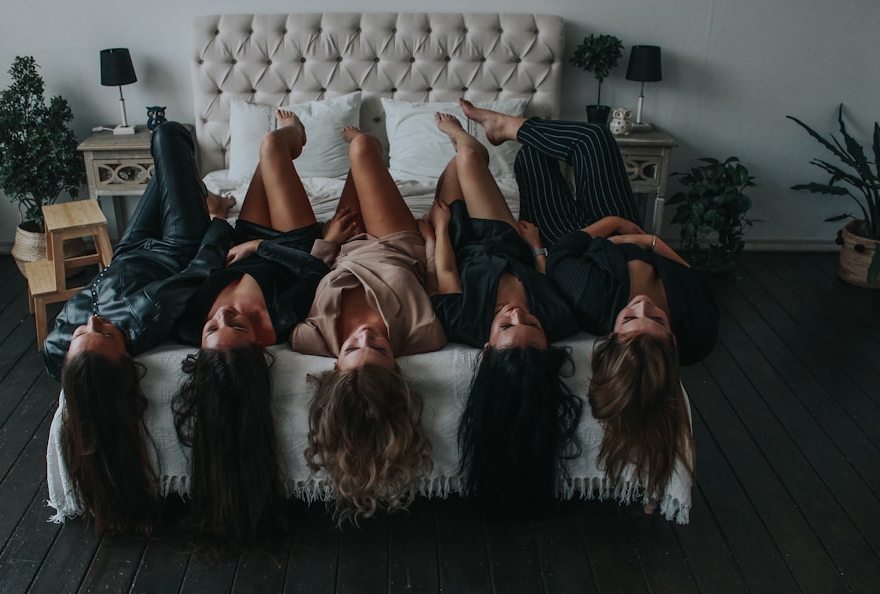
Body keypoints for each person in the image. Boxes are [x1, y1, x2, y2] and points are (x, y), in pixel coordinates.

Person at [460, 99, 718, 502]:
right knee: (594, 137)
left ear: (611, 335)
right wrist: (651, 240)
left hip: (579, 238)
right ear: (673, 339)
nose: (643, 307)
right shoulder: (700, 331)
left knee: (532, 157)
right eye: (657, 318)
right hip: (628, 234)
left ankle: (508, 129)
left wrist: (621, 231)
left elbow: (564, 252)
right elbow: (689, 272)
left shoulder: (594, 301)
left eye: (630, 318)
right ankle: (505, 125)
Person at [170, 111, 359, 550]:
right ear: (256, 343)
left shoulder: (189, 322)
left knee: (262, 158)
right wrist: (262, 247)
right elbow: (312, 268)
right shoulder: (278, 324)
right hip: (287, 242)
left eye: (213, 325)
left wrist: (220, 223)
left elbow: (197, 266)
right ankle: (297, 135)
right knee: (273, 146)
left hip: (246, 230)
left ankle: (282, 147)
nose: (223, 316)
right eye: (235, 324)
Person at [43, 121, 236, 537]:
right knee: (168, 134)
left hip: (128, 250)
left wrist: (82, 344)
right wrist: (219, 221)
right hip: (176, 248)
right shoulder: (148, 316)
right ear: (128, 358)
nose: (92, 322)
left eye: (81, 334)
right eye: (107, 333)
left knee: (166, 166)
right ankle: (207, 199)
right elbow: (200, 271)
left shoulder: (56, 352)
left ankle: (197, 189)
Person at [420, 113, 583, 517]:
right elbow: (543, 279)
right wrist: (536, 247)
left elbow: (444, 272)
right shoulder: (559, 317)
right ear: (546, 341)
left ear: (489, 347)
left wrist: (438, 230)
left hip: (458, 241)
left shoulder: (464, 323)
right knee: (471, 155)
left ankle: (461, 144)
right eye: (530, 324)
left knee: (456, 165)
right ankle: (466, 135)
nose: (516, 314)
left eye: (508, 326)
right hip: (501, 237)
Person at [290, 126, 447, 524]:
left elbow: (301, 279)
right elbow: (437, 284)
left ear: (334, 366)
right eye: (378, 348)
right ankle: (368, 141)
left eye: (351, 348)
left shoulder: (309, 338)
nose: (365, 336)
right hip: (394, 242)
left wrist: (327, 241)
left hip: (344, 245)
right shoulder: (423, 334)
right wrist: (431, 240)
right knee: (361, 148)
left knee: (353, 174)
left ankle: (363, 157)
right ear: (396, 366)